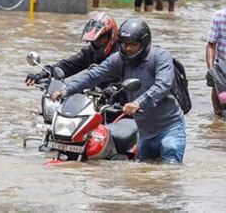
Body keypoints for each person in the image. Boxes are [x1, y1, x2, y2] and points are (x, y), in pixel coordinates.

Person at [51, 18, 187, 164]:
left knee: (170, 171)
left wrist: (138, 103)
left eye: (133, 45)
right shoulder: (119, 59)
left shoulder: (160, 57)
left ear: (144, 43)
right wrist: (67, 89)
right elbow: (94, 75)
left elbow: (163, 85)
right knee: (143, 176)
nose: (127, 49)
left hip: (169, 128)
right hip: (144, 132)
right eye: (124, 44)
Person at [25, 12, 119, 86]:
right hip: (96, 96)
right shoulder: (89, 53)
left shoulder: (122, 55)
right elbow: (67, 65)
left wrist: (116, 88)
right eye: (94, 40)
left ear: (111, 36)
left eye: (100, 39)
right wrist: (43, 73)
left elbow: (130, 78)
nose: (96, 43)